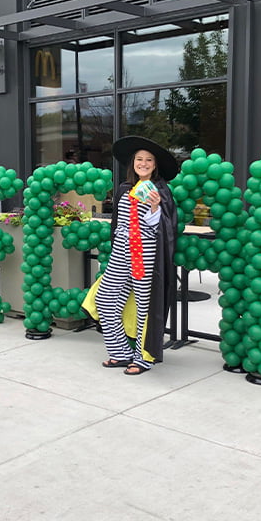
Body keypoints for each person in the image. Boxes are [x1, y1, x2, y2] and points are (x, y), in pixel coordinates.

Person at [84, 135, 178, 375]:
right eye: (139, 159)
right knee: (105, 299)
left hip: (145, 256)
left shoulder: (160, 191)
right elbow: (118, 222)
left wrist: (155, 207)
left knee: (145, 307)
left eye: (149, 160)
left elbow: (164, 229)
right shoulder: (124, 189)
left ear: (155, 165)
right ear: (133, 163)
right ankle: (120, 352)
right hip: (121, 253)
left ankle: (143, 358)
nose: (143, 163)